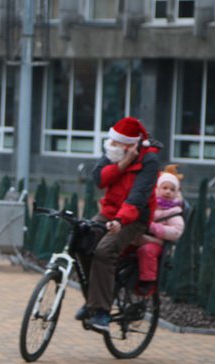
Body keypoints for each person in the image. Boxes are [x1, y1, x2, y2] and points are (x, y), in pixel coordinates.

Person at [75, 116, 161, 332]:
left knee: (105, 250)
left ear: (131, 145)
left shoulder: (149, 161)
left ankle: (102, 312)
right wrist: (122, 163)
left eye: (116, 143)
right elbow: (99, 179)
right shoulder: (115, 153)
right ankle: (94, 301)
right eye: (111, 142)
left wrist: (120, 221)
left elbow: (137, 197)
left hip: (134, 218)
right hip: (109, 211)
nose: (110, 146)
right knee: (83, 240)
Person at [134, 165, 185, 295]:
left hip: (158, 243)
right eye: (165, 188)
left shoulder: (174, 212)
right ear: (158, 189)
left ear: (176, 193)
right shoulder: (151, 205)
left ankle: (148, 281)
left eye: (172, 189)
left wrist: (155, 228)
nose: (168, 192)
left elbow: (176, 231)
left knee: (147, 251)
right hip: (140, 237)